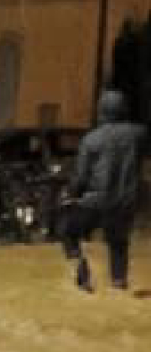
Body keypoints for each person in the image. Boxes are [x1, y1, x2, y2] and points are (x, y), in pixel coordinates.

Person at [61, 89, 145, 292]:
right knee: (118, 240)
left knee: (68, 230)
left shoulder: (92, 140)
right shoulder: (138, 134)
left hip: (97, 200)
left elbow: (81, 176)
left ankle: (82, 272)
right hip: (126, 200)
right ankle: (119, 281)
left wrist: (71, 195)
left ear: (101, 112)